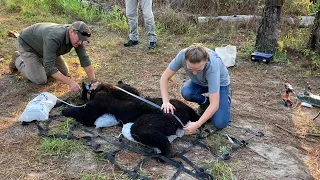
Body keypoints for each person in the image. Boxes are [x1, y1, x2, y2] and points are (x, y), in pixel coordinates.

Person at [160, 43, 231, 135]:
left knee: (220, 123)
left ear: (206, 62)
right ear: (185, 60)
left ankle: (225, 100)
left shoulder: (212, 67)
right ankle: (206, 102)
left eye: (199, 70)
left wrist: (197, 124)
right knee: (187, 92)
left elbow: (214, 104)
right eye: (190, 69)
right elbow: (164, 78)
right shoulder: (182, 55)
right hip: (199, 82)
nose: (194, 73)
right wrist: (165, 101)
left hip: (220, 84)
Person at [9, 21, 97, 92]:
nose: (80, 43)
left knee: (64, 71)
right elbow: (49, 68)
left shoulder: (77, 38)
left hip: (45, 48)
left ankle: (42, 60)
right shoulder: (54, 37)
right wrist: (70, 82)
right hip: (27, 45)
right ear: (71, 32)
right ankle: (17, 59)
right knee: (40, 79)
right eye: (79, 39)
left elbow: (84, 59)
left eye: (83, 40)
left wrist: (93, 81)